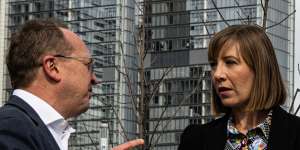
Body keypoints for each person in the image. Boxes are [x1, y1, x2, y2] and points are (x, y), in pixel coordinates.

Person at [0, 19, 143, 150]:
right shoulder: (10, 129)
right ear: (52, 67)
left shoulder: (32, 129)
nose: (95, 79)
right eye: (88, 66)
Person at [178, 25, 300, 150]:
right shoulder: (195, 140)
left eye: (230, 62)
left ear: (259, 69)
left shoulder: (295, 134)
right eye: (213, 64)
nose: (217, 74)